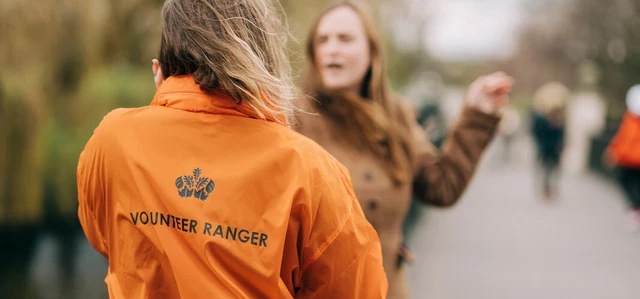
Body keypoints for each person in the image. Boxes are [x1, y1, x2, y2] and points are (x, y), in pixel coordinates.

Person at [76, 0, 387, 298]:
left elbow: (107, 238)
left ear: (160, 68)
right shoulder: (313, 170)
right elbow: (355, 288)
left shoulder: (113, 141)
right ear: (263, 55)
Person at [294, 2, 514, 298]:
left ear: (372, 51)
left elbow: (441, 185)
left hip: (389, 289)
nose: (332, 49)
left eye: (345, 39)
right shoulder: (294, 118)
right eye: (323, 40)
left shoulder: (396, 116)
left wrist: (476, 114)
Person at [604, 84, 640, 231]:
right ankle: (635, 209)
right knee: (629, 184)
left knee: (630, 185)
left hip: (631, 160)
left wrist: (614, 152)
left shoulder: (631, 119)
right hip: (628, 160)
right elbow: (623, 138)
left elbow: (626, 139)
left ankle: (635, 208)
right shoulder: (629, 118)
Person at [531, 82, 570, 200]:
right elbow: (536, 132)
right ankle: (546, 190)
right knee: (545, 170)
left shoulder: (560, 120)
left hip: (555, 149)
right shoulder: (541, 119)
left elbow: (562, 135)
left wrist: (562, 146)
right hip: (545, 148)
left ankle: (552, 189)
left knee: (554, 170)